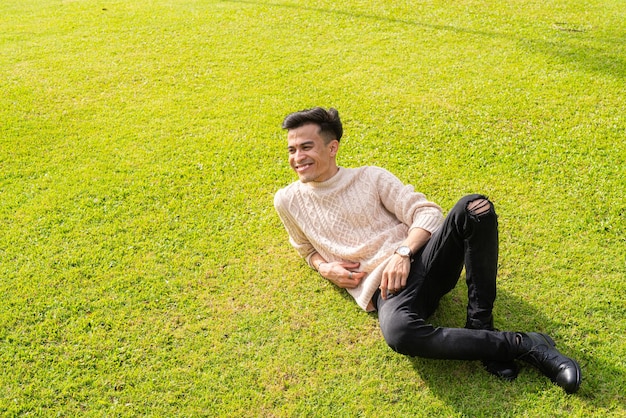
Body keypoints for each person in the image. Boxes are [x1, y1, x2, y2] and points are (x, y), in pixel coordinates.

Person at [273, 107, 582, 394]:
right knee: (400, 335)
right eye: (292, 149)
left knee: (475, 208)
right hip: (388, 291)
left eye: (306, 147)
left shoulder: (370, 177)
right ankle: (521, 345)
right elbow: (304, 247)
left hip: (424, 259)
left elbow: (428, 214)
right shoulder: (287, 201)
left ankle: (480, 325)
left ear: (332, 147)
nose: (297, 157)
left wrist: (403, 253)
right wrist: (323, 267)